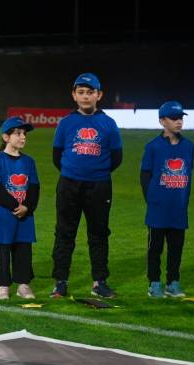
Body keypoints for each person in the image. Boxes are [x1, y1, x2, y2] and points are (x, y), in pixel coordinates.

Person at [50, 72, 123, 299]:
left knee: (99, 234)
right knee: (64, 233)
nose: (85, 96)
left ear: (99, 95)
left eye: (90, 92)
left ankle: (99, 281)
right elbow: (57, 155)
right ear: (74, 95)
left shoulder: (108, 123)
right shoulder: (66, 123)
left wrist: (96, 171)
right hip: (69, 184)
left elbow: (116, 157)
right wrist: (74, 172)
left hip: (99, 186)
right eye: (81, 92)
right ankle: (60, 282)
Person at [140, 101, 194, 298]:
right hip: (158, 207)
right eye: (174, 118)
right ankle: (154, 283)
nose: (179, 122)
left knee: (176, 247)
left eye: (181, 118)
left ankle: (173, 282)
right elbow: (145, 175)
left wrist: (183, 199)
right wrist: (152, 199)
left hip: (178, 207)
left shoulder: (189, 146)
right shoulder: (153, 147)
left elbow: (189, 174)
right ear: (162, 121)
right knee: (155, 247)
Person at [0, 117, 39, 300]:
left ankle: (23, 285)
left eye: (24, 134)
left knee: (23, 249)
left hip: (24, 215)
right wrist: (15, 205)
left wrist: (27, 207)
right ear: (6, 137)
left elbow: (34, 187)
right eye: (18, 133)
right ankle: (2, 286)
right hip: (3, 215)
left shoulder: (29, 162)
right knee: (2, 249)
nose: (22, 137)